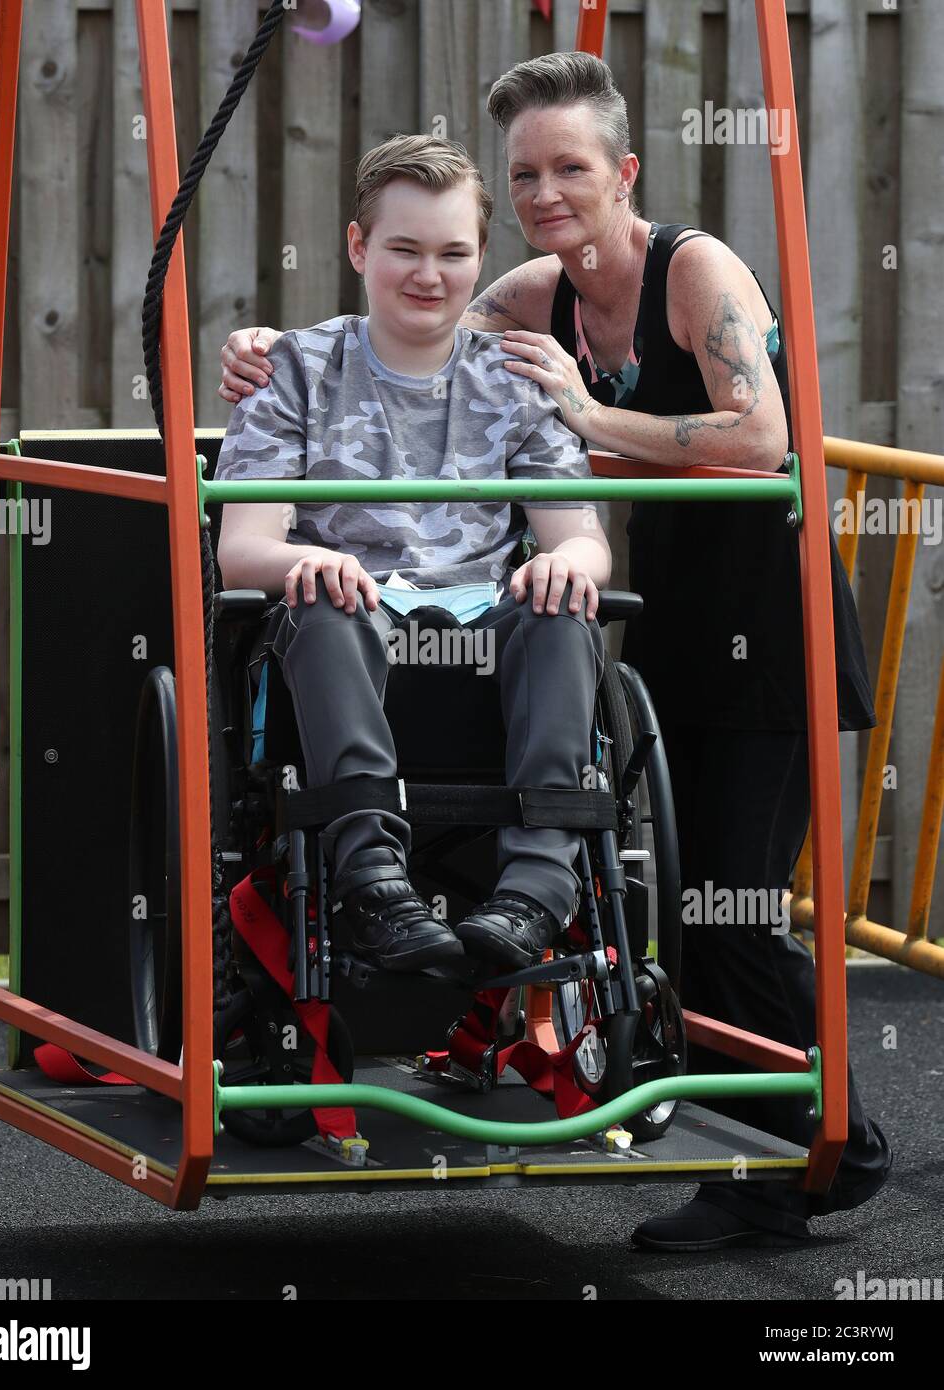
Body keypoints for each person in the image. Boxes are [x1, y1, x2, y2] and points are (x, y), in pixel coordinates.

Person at [219, 53, 892, 1253]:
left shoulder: (694, 271)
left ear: (623, 171)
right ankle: (771, 1146)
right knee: (697, 910)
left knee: (731, 905)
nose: (544, 191)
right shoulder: (526, 301)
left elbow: (761, 437)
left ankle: (828, 1144)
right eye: (524, 173)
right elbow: (411, 332)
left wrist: (583, 426)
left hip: (766, 611)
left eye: (568, 167)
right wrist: (275, 347)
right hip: (670, 611)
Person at [215, 133, 612, 979]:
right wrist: (300, 563)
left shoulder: (514, 380)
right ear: (359, 248)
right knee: (323, 599)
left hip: (482, 633)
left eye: (452, 253)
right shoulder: (290, 369)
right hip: (344, 630)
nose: (428, 275)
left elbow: (581, 540)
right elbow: (241, 546)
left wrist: (568, 562)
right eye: (404, 250)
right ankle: (370, 875)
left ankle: (540, 886)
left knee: (560, 607)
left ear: (480, 258)